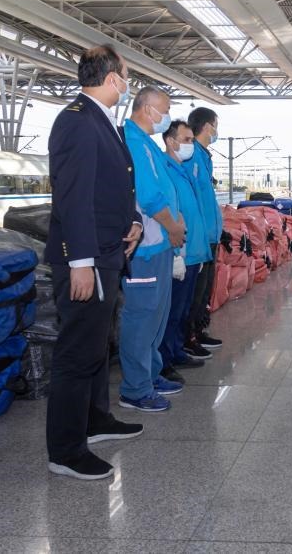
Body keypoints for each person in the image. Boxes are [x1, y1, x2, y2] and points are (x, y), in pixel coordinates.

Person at [44, 44, 144, 481]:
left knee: (96, 346)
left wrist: (134, 221)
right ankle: (66, 450)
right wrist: (79, 262)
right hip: (87, 258)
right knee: (76, 353)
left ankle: (95, 419)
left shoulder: (102, 122)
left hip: (108, 251)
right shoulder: (77, 121)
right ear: (112, 78)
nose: (128, 84)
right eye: (126, 76)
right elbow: (74, 197)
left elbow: (113, 189)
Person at [119, 86, 186, 412]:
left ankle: (150, 374)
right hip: (144, 249)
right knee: (141, 318)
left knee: (156, 318)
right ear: (148, 109)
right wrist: (173, 226)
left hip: (159, 245)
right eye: (166, 109)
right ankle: (134, 389)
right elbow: (147, 196)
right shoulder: (133, 142)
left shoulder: (148, 144)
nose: (168, 116)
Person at [158, 120, 211, 384]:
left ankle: (177, 351)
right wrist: (177, 253)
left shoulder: (182, 170)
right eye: (187, 140)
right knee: (171, 311)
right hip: (179, 251)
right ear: (170, 141)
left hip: (193, 251)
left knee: (182, 309)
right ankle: (164, 362)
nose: (191, 144)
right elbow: (169, 213)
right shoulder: (164, 169)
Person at [183, 107, 224, 360]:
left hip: (210, 235)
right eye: (216, 125)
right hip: (199, 237)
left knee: (205, 289)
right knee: (194, 292)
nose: (217, 130)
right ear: (208, 126)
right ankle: (188, 338)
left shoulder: (204, 157)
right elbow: (192, 200)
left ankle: (198, 331)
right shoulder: (192, 156)